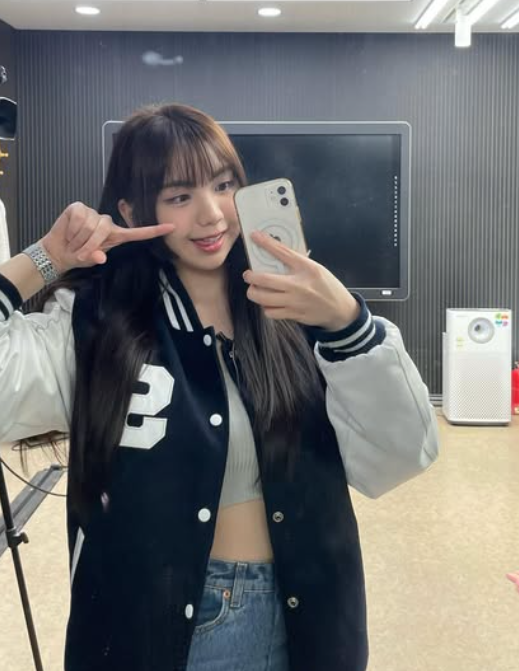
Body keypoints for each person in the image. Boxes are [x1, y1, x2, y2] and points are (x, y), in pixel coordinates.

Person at [0, 103, 439, 671]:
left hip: (312, 618)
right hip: (162, 627)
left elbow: (401, 456)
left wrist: (348, 323)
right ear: (131, 210)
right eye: (179, 196)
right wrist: (45, 258)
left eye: (224, 185)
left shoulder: (301, 311)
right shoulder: (95, 323)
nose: (211, 215)